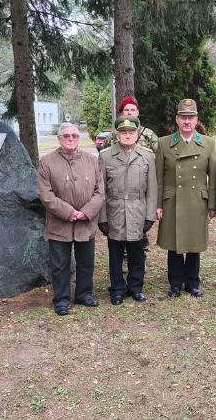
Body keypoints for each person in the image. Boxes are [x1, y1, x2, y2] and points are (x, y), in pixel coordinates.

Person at [37, 122, 105, 315]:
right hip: (60, 223)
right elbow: (45, 194)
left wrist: (86, 212)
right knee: (59, 265)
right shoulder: (47, 161)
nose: (70, 139)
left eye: (74, 135)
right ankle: (61, 299)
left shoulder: (92, 161)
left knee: (86, 262)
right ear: (59, 139)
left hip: (86, 222)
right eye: (66, 136)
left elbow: (100, 191)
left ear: (79, 138)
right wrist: (68, 212)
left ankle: (84, 294)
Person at [156, 98, 216, 297]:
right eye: (183, 117)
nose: (187, 121)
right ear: (177, 119)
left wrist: (212, 204)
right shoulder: (164, 143)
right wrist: (158, 204)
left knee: (194, 242)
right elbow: (159, 178)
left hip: (197, 201)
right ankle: (175, 283)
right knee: (173, 244)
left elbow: (214, 177)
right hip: (172, 200)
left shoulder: (208, 143)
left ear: (197, 119)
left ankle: (192, 282)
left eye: (190, 117)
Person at [98, 115, 157, 305]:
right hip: (114, 210)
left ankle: (136, 287)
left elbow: (152, 189)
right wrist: (102, 218)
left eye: (131, 132)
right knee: (115, 254)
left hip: (138, 210)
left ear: (136, 134)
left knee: (136, 253)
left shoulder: (147, 156)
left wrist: (149, 216)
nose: (128, 135)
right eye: (123, 132)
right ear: (117, 135)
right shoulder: (105, 156)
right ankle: (117, 289)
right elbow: (101, 190)